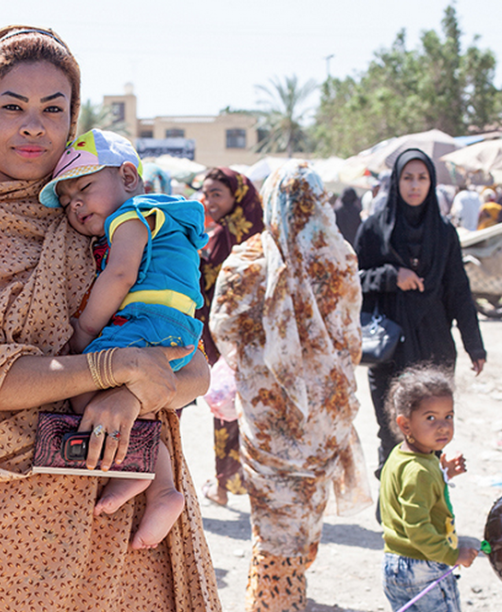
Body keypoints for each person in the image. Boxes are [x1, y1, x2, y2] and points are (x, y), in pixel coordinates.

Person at [0, 26, 221, 611]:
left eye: (53, 108)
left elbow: (192, 369)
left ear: (72, 121)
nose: (32, 125)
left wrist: (132, 399)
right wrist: (111, 367)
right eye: (12, 107)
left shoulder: (99, 223)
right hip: (1, 530)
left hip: (122, 526)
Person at [211, 161, 371, 612]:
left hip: (269, 414)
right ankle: (287, 591)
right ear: (321, 200)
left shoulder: (249, 259)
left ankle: (272, 600)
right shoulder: (339, 258)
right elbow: (351, 336)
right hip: (326, 414)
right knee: (305, 510)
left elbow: (224, 327)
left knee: (273, 518)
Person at [38, 128, 206, 549]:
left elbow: (120, 274)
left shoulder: (131, 215)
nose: (76, 204)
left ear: (129, 177)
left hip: (144, 322)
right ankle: (162, 488)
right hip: (177, 328)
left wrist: (87, 330)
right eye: (67, 200)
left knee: (82, 388)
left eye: (86, 188)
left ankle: (137, 471)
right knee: (135, 399)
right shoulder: (172, 216)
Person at [354, 149, 486, 477]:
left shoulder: (444, 233)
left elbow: (459, 292)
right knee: (391, 432)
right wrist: (390, 276)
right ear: (395, 182)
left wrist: (475, 346)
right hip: (389, 349)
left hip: (434, 348)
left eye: (422, 178)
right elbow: (352, 282)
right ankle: (394, 514)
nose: (414, 186)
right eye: (407, 178)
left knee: (431, 435)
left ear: (431, 182)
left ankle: (427, 509)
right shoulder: (374, 229)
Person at [380, 365, 479, 612]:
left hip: (397, 563)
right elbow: (417, 528)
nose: (443, 426)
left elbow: (416, 496)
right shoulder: (420, 471)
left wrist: (443, 474)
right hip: (422, 565)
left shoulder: (403, 456)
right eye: (430, 418)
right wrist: (452, 556)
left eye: (449, 416)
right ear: (405, 425)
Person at [195, 167, 263, 506]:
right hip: (257, 335)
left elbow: (208, 282)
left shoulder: (222, 235)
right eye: (206, 194)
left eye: (216, 194)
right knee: (252, 407)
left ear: (237, 195)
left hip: (223, 335)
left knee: (225, 406)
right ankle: (249, 483)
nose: (209, 201)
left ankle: (223, 485)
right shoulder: (262, 230)